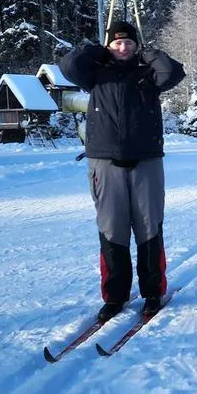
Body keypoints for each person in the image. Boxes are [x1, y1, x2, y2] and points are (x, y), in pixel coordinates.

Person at [60, 21, 185, 319]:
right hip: (104, 162)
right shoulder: (95, 73)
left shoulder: (149, 73)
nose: (123, 47)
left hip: (146, 161)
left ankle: (153, 292)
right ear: (108, 45)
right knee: (112, 230)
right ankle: (115, 296)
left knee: (149, 227)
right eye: (117, 43)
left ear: (136, 44)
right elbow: (69, 65)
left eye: (128, 42)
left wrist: (149, 52)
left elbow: (173, 72)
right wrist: (97, 50)